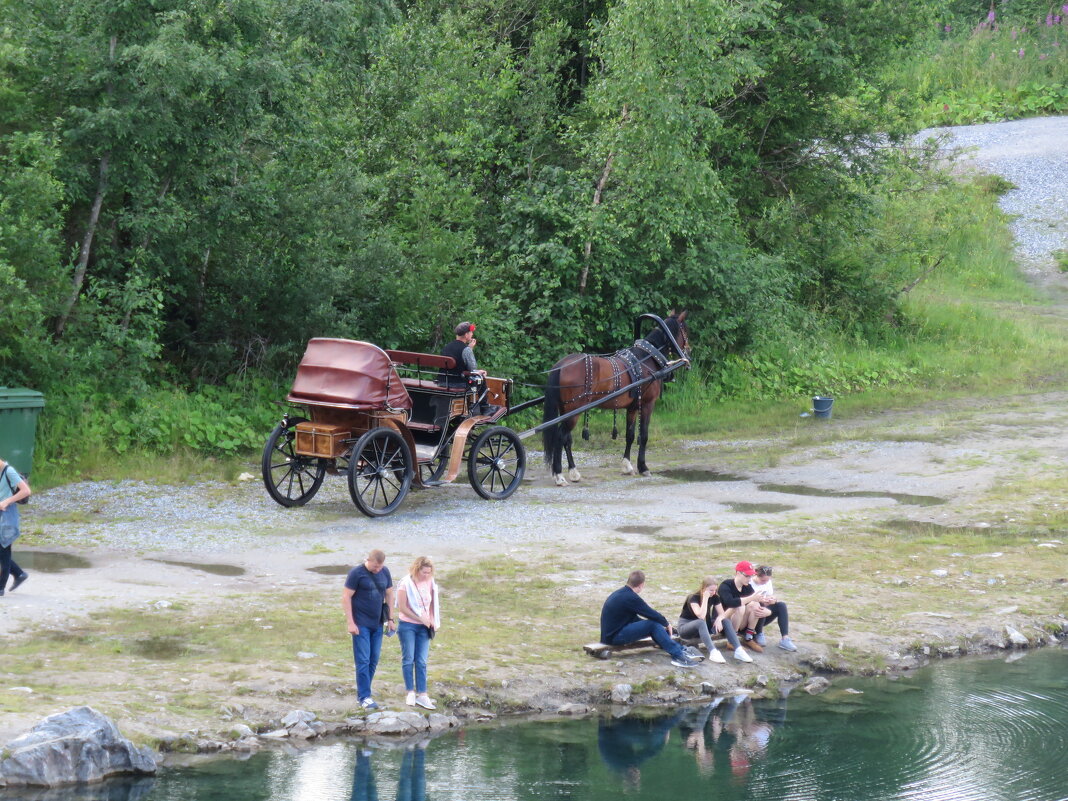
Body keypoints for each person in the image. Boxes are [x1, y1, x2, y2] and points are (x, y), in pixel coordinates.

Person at [600, 570, 701, 668]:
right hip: (614, 637)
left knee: (653, 626)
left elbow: (633, 619)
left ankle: (679, 649)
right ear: (641, 585)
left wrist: (661, 628)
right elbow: (649, 612)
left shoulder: (621, 593)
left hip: (610, 634)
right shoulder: (631, 597)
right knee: (652, 625)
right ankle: (678, 656)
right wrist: (666, 623)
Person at [343, 549, 395, 710]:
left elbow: (389, 594)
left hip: (378, 623)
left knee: (374, 659)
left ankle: (366, 691)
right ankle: (364, 697)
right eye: (375, 567)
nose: (377, 570)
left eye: (380, 567)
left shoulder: (385, 572)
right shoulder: (356, 573)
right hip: (361, 624)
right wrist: (351, 623)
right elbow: (346, 597)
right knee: (363, 660)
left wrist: (391, 619)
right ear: (368, 560)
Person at [395, 555, 439, 710]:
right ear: (416, 569)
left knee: (421, 661)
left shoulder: (430, 583)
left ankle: (423, 694)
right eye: (423, 572)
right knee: (408, 658)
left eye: (428, 572)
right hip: (408, 625)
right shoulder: (405, 584)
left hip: (424, 627)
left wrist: (432, 619)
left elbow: (433, 603)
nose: (426, 575)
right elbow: (403, 608)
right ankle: (410, 691)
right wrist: (420, 618)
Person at [437, 321, 497, 415]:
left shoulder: (446, 347)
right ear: (466, 335)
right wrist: (470, 350)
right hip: (458, 383)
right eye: (471, 332)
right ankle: (485, 408)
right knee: (481, 378)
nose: (472, 334)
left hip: (442, 381)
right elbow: (472, 369)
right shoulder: (466, 349)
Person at [716, 561, 770, 657]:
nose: (749, 579)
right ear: (738, 573)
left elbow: (758, 601)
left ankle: (748, 637)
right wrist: (750, 598)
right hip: (723, 623)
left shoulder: (747, 587)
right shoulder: (726, 585)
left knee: (755, 604)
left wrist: (768, 609)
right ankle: (733, 641)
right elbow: (730, 602)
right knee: (740, 606)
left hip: (741, 622)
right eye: (747, 576)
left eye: (750, 576)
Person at [676, 576, 727, 664]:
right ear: (704, 588)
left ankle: (737, 647)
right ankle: (713, 651)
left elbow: (722, 613)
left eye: (715, 590)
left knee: (725, 621)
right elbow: (701, 616)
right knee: (700, 622)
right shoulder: (693, 597)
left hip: (700, 628)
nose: (713, 593)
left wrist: (719, 619)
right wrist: (705, 598)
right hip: (685, 627)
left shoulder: (715, 596)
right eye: (711, 590)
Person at [0, 457, 31, 597]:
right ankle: (19, 574)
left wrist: (7, 501)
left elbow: (26, 491)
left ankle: (0, 588)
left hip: (7, 516)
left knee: (4, 551)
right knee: (2, 553)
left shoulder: (9, 471)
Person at [748, 565, 797, 651]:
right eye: (763, 580)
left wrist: (772, 600)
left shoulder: (767, 582)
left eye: (767, 580)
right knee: (760, 605)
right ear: (756, 575)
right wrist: (763, 602)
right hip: (750, 616)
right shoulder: (749, 583)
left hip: (763, 612)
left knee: (781, 605)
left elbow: (769, 595)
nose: (765, 582)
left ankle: (785, 638)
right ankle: (758, 632)